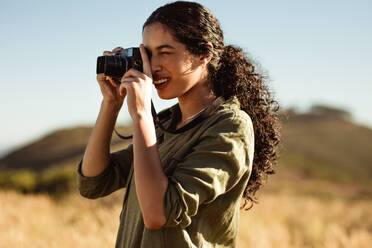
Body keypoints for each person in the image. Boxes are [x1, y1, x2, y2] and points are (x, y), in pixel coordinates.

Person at [77, 1, 280, 247]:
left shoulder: (230, 126)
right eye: (149, 54)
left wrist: (141, 113)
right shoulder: (166, 125)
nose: (153, 66)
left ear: (204, 54)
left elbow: (158, 213)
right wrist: (110, 104)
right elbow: (93, 182)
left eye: (165, 52)